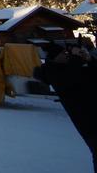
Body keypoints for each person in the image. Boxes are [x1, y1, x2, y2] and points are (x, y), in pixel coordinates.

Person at [35, 42, 96, 170]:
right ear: (54, 57)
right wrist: (76, 57)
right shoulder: (54, 72)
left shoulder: (70, 68)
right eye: (64, 53)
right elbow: (70, 78)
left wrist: (90, 60)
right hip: (88, 120)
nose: (67, 55)